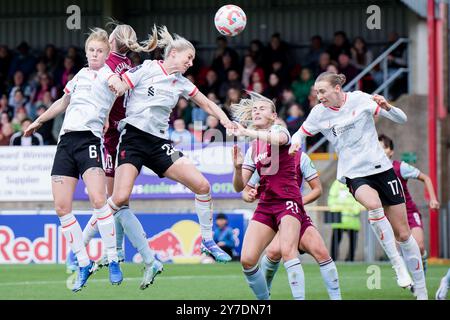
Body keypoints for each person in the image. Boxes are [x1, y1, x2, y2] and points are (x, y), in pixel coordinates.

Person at [288, 71, 428, 299]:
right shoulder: (318, 114)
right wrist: (294, 143)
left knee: (404, 234)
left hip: (383, 170)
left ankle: (421, 292)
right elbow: (299, 134)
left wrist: (388, 106)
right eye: (316, 92)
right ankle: (397, 265)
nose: (319, 96)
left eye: (322, 91)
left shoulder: (360, 99)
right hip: (354, 174)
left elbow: (402, 119)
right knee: (373, 205)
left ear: (337, 88)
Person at [107, 25, 235, 264]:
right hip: (133, 139)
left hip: (159, 144)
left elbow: (207, 104)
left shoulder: (181, 83)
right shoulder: (146, 69)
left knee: (203, 185)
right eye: (189, 58)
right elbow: (121, 87)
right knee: (120, 197)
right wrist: (113, 83)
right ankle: (104, 248)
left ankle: (207, 242)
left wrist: (227, 121)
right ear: (173, 54)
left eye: (193, 60)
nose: (191, 63)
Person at [66, 23, 164, 290]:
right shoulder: (128, 64)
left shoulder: (108, 61)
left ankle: (82, 250)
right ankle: (121, 255)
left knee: (111, 203)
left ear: (111, 40)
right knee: (118, 203)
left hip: (110, 136)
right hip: (124, 132)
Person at [24, 28, 122, 292]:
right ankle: (83, 261)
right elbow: (63, 101)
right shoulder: (79, 75)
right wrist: (39, 120)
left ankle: (113, 259)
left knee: (99, 200)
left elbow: (120, 86)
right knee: (61, 207)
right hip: (65, 142)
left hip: (88, 141)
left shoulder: (108, 75)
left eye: (100, 51)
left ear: (107, 54)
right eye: (91, 50)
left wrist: (117, 84)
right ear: (86, 51)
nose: (94, 54)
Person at [230, 92, 307, 300]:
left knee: (288, 251)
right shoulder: (253, 148)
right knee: (247, 260)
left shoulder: (279, 130)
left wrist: (247, 131)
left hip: (288, 200)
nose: (256, 111)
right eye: (254, 109)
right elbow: (240, 188)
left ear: (273, 116)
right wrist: (237, 169)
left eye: (262, 108)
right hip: (266, 204)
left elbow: (279, 139)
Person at [237, 146, 342, 300]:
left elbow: (317, 189)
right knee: (272, 253)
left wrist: (297, 202)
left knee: (321, 252)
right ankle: (266, 294)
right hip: (272, 213)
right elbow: (246, 191)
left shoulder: (300, 157)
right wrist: (249, 194)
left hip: (293, 211)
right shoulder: (263, 158)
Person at [378, 134, 440, 274]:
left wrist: (433, 199)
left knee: (419, 246)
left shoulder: (401, 167)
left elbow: (426, 178)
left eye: (384, 147)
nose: (381, 150)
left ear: (391, 152)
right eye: (378, 147)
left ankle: (422, 261)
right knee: (397, 251)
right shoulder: (372, 172)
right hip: (391, 217)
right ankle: (410, 280)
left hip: (409, 213)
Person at [328, 179, 363, 261]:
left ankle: (349, 259)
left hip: (351, 219)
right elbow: (331, 198)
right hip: (340, 218)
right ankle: (333, 259)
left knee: (352, 242)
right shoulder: (337, 183)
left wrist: (356, 209)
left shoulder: (355, 181)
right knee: (336, 241)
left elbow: (360, 198)